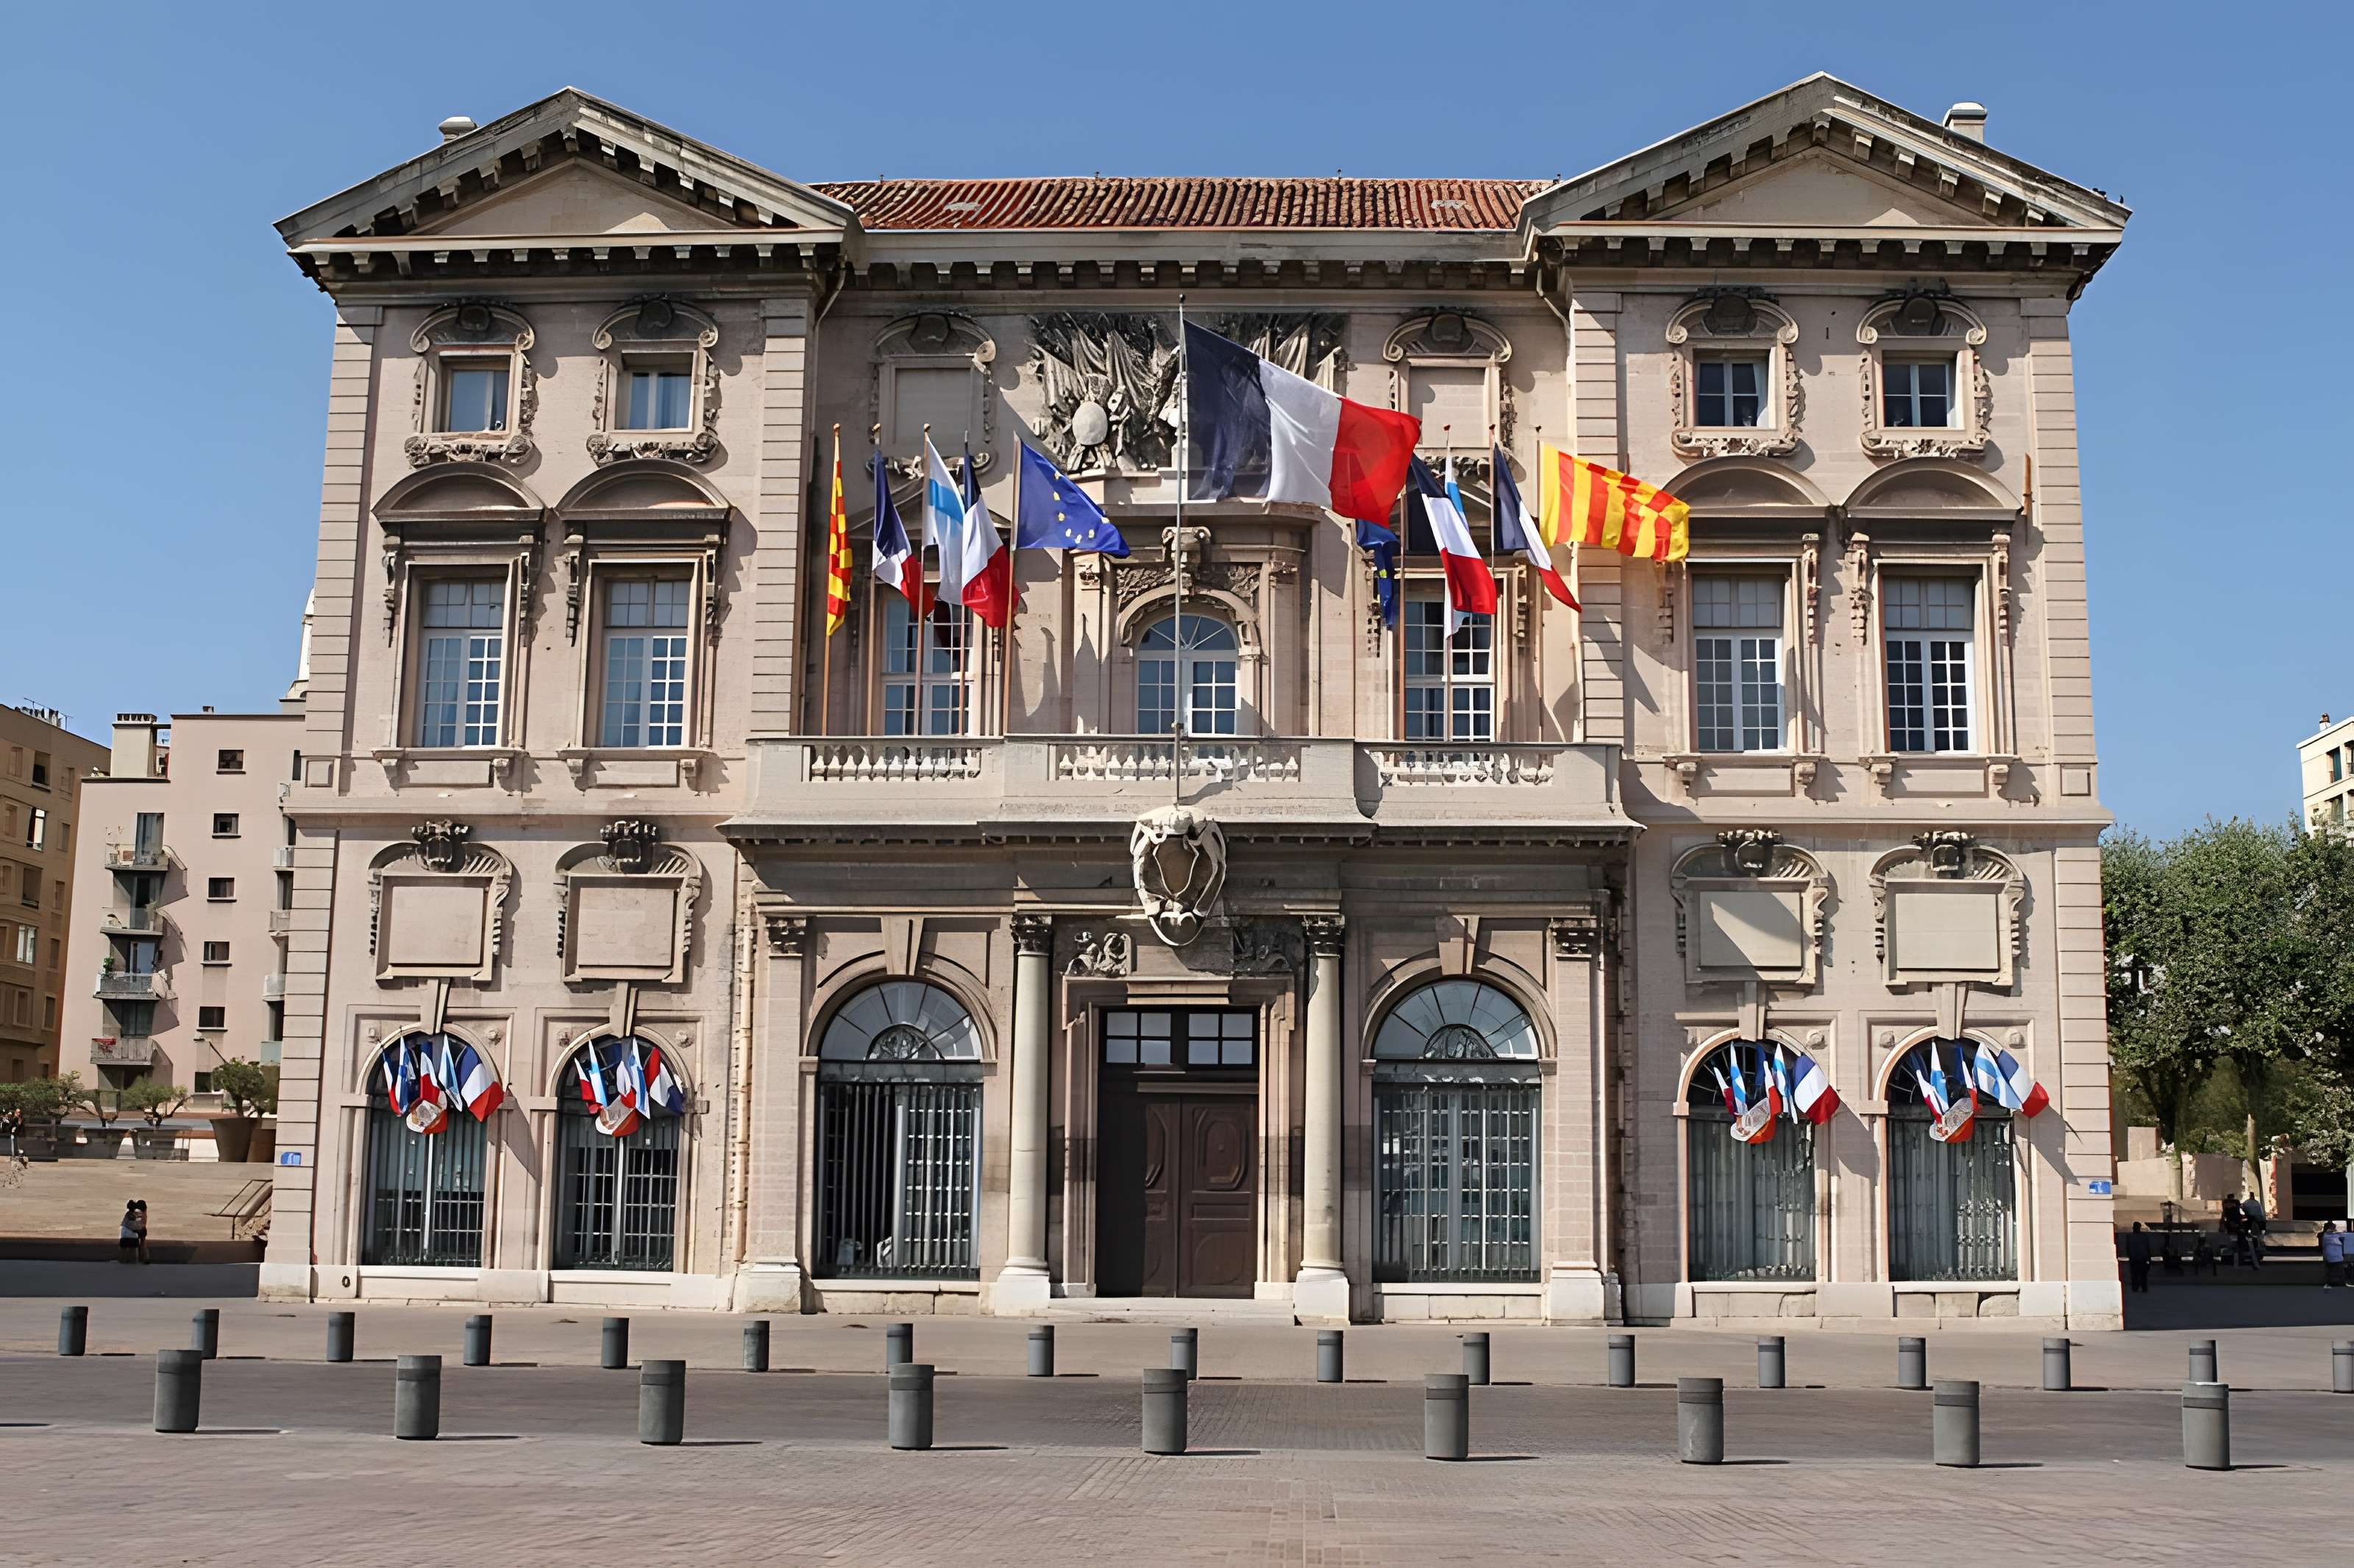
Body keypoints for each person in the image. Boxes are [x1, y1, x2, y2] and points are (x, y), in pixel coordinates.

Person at [2124, 1222, 2154, 1294]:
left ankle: (2138, 1287)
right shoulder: (2143, 1236)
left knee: (2138, 1275)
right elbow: (2147, 1248)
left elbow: (2128, 1247)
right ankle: (2140, 1287)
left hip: (2138, 1258)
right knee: (2139, 1275)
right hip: (2138, 1258)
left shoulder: (2132, 1237)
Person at [2240, 1191, 2267, 1267]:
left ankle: (2256, 1259)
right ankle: (2258, 1257)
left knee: (2255, 1241)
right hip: (2260, 1221)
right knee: (2258, 1239)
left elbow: (2243, 1208)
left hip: (2254, 1222)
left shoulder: (2247, 1203)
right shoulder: (2257, 1203)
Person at [2322, 1221, 2345, 1290]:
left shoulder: (2326, 1235)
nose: (2335, 1229)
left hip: (2331, 1256)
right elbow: (2337, 1235)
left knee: (2331, 1271)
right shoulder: (2329, 1235)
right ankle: (2339, 1282)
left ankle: (2331, 1283)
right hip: (2335, 1256)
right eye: (2334, 1228)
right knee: (2339, 1271)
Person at [115, 1201, 140, 1265]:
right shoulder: (137, 1215)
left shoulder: (127, 1215)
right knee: (134, 1249)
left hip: (124, 1235)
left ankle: (122, 1260)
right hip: (134, 1235)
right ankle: (134, 1261)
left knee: (123, 1249)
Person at [131, 1198, 149, 1264]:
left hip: (140, 1229)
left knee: (140, 1244)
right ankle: (144, 1258)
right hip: (143, 1229)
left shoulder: (139, 1213)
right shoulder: (145, 1213)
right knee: (143, 1243)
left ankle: (141, 1258)